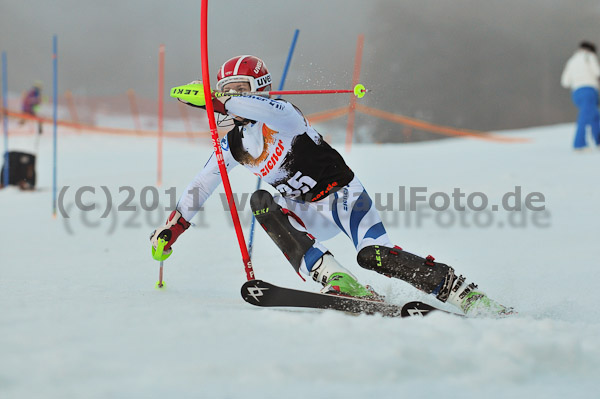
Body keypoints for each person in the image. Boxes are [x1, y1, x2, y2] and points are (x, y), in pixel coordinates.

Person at [151, 55, 512, 317]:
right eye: (227, 91)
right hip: (303, 209)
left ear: (260, 90)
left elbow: (265, 111)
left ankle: (462, 293)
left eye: (240, 91)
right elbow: (203, 182)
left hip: (343, 198)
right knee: (262, 200)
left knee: (374, 256)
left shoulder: (284, 115)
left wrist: (217, 99)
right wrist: (174, 227)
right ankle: (334, 277)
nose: (233, 99)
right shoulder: (234, 144)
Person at [561, 41, 600, 150]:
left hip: (576, 92)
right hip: (589, 90)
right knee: (585, 117)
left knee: (595, 116)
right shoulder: (589, 57)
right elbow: (597, 72)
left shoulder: (571, 61)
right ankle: (579, 144)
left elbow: (565, 82)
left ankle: (598, 141)